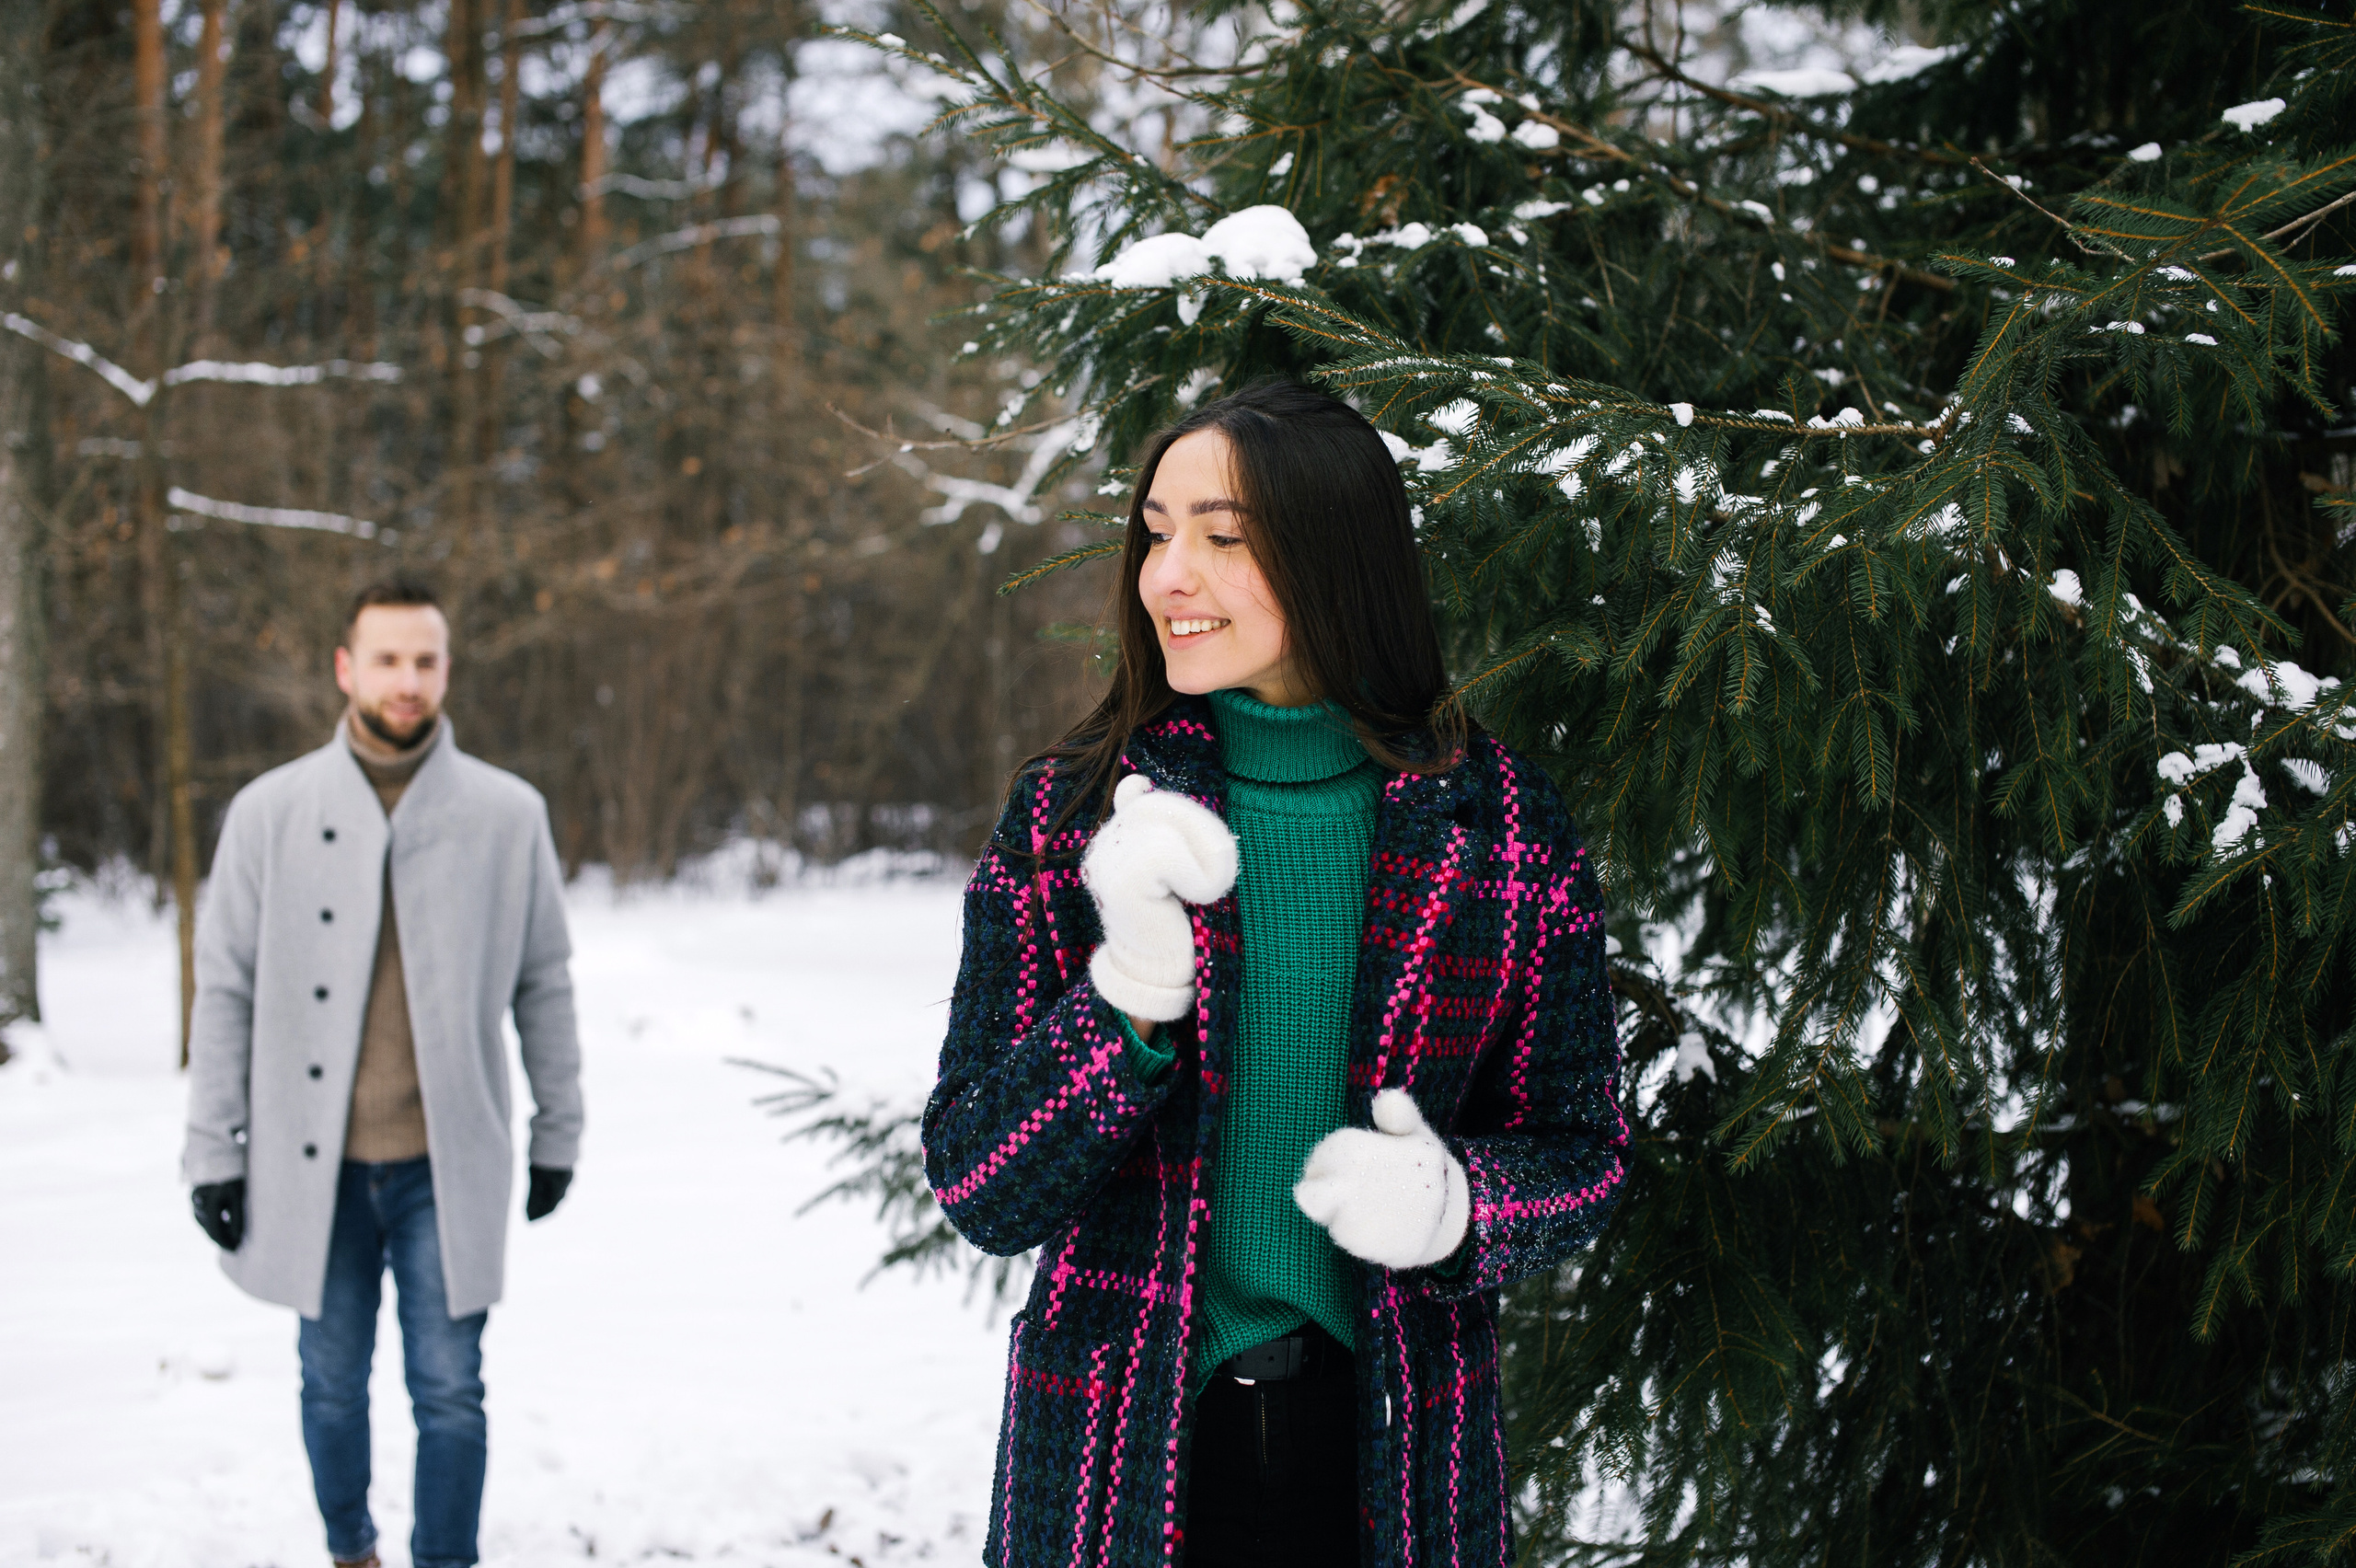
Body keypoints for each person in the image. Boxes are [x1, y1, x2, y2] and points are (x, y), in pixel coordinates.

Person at [924, 380, 1627, 1568]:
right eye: (1155, 532)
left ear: (1339, 559)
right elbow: (979, 1186)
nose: (1168, 575)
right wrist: (1125, 1002)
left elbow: (1584, 1157)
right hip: (1116, 1457)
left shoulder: (1498, 825)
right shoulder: (1075, 814)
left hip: (1394, 1460)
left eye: (1223, 537)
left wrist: (1462, 1207)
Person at [181, 581, 583, 1568]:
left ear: (446, 669)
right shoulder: (268, 812)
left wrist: (558, 1132)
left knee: (450, 1388)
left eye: (426, 661)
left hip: (448, 1164)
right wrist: (212, 1153)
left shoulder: (505, 813)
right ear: (346, 667)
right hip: (305, 1165)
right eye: (389, 659)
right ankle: (349, 1548)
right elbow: (224, 987)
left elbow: (545, 982)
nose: (408, 681)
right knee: (329, 1382)